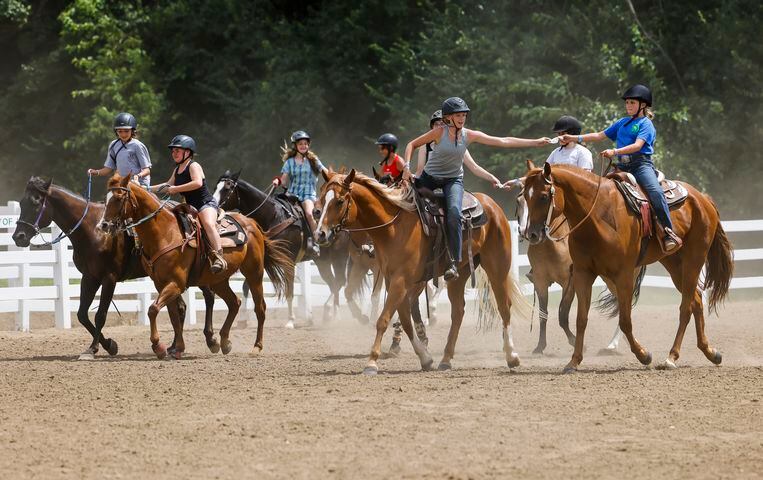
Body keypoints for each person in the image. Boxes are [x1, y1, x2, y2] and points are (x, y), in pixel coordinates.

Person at [404, 97, 549, 281]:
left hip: (452, 181)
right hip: (429, 179)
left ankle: (453, 262)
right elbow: (411, 145)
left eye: (464, 115)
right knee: (403, 201)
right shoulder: (438, 132)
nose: (462, 118)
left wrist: (535, 142)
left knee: (455, 213)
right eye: (458, 115)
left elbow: (503, 141)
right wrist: (406, 168)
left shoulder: (468, 135)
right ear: (448, 117)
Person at [560, 84, 680, 252]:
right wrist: (573, 137)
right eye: (627, 103)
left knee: (655, 192)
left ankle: (668, 232)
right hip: (621, 166)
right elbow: (599, 135)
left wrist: (614, 151)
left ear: (643, 105)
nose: (628, 106)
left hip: (640, 165)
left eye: (632, 103)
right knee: (599, 191)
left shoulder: (646, 124)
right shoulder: (622, 123)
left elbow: (638, 146)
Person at [145, 135, 227, 273]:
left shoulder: (193, 165)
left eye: (177, 150)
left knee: (208, 224)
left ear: (187, 152)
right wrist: (146, 188)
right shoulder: (177, 170)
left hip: (205, 204)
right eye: (173, 151)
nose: (174, 153)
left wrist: (176, 189)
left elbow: (197, 183)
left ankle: (219, 256)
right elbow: (167, 185)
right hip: (190, 206)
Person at [272, 130, 326, 256]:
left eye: (305, 144)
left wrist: (335, 177)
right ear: (295, 146)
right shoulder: (289, 162)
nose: (303, 146)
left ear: (308, 145)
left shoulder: (313, 160)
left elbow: (325, 171)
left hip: (308, 195)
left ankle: (316, 242)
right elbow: (284, 179)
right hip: (292, 195)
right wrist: (278, 181)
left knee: (308, 213)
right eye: (300, 143)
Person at [88, 112, 151, 186]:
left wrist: (137, 176)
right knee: (109, 197)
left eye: (126, 131)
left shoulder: (138, 145)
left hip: (139, 184)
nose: (123, 134)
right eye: (120, 131)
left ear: (132, 130)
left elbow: (147, 170)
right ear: (116, 131)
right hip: (122, 185)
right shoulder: (113, 145)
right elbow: (108, 169)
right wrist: (96, 172)